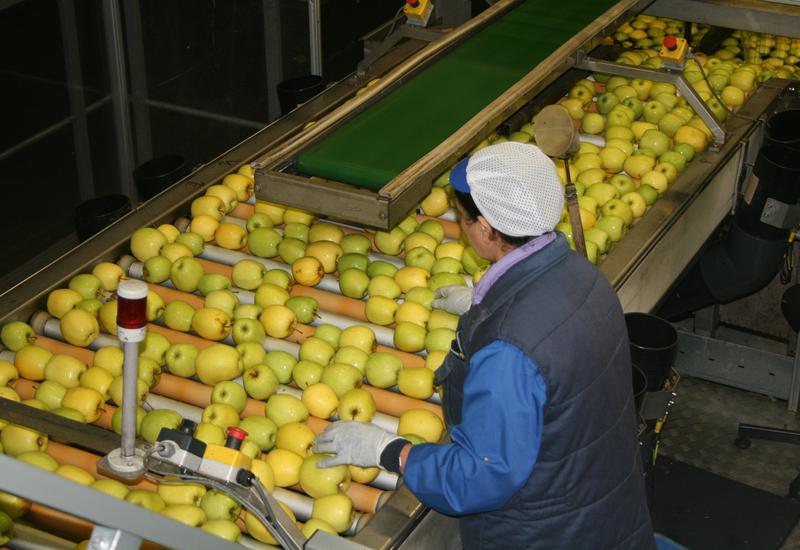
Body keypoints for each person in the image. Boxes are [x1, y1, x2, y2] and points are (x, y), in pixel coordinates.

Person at [314, 141, 656, 549]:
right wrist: (489, 302)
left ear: (488, 229)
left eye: (463, 220)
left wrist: (392, 452)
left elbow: (482, 476)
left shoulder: (508, 353)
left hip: (543, 534)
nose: (460, 228)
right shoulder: (587, 277)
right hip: (602, 507)